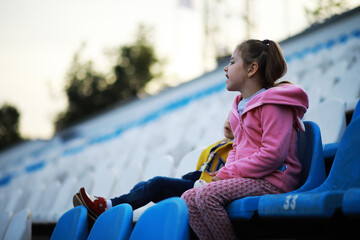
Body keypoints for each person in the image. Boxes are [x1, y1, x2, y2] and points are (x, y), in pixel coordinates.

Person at [181, 39, 309, 240]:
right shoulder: (240, 106)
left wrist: (228, 173)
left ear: (252, 69)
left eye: (232, 62)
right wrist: (226, 172)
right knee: (188, 198)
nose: (225, 68)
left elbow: (273, 155)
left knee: (207, 195)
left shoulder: (273, 104)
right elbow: (236, 148)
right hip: (251, 178)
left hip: (273, 180)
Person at [73, 115, 234, 221]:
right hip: (193, 183)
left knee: (157, 184)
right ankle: (109, 215)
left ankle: (106, 207)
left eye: (235, 120)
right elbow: (199, 171)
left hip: (203, 190)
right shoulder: (216, 145)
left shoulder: (237, 148)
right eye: (229, 117)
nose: (229, 123)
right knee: (141, 187)